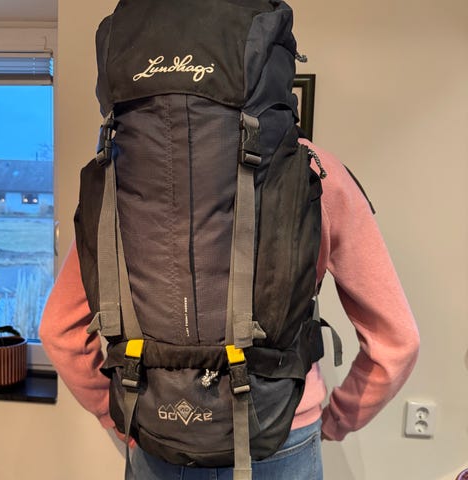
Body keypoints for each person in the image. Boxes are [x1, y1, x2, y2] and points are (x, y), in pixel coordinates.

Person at [39, 138, 420, 480]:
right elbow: (397, 341)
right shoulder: (313, 167)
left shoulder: (125, 171)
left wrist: (116, 414)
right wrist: (335, 421)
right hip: (281, 432)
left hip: (158, 427)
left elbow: (59, 330)